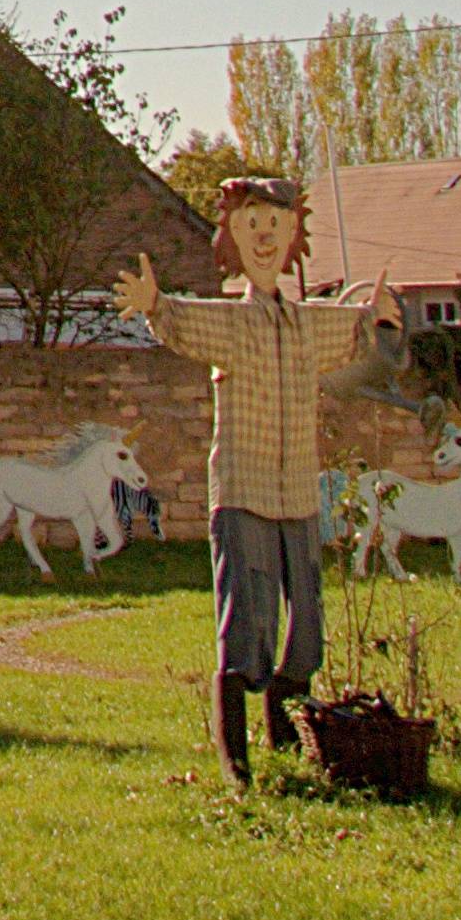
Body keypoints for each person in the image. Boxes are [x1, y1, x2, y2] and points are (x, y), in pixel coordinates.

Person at [114, 178, 396, 783]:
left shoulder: (307, 324)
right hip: (243, 493)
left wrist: (378, 319)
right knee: (251, 618)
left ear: (294, 235)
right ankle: (237, 764)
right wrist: (155, 304)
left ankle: (286, 743)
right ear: (232, 238)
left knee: (307, 623)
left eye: (276, 225)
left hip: (297, 494)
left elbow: (353, 332)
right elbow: (183, 321)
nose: (265, 237)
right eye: (251, 226)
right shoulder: (232, 325)